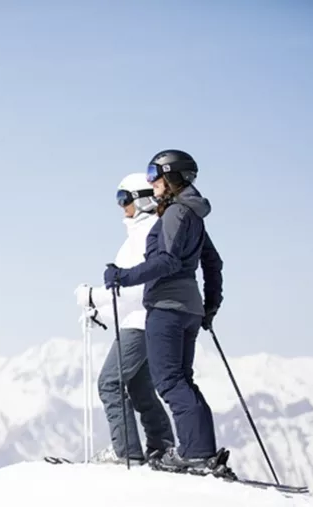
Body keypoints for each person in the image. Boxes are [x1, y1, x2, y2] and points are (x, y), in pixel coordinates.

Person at [102, 149, 224, 472]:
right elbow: (213, 263)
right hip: (190, 310)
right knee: (183, 380)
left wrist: (122, 276)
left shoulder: (174, 214)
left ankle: (195, 452)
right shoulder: (193, 215)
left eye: (155, 173)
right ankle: (202, 450)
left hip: (166, 308)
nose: (151, 180)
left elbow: (166, 261)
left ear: (172, 177)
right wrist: (210, 305)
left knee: (169, 382)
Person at [75, 172, 175, 465]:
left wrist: (93, 296)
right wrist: (101, 312)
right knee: (140, 387)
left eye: (124, 199)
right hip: (142, 320)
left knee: (109, 382)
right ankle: (161, 448)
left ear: (143, 200)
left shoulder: (146, 234)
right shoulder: (140, 233)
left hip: (141, 323)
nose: (121, 206)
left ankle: (126, 454)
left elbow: (139, 287)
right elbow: (126, 295)